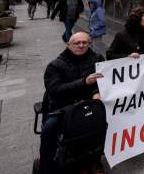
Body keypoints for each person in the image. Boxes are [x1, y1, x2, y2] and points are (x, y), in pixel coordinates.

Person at [41, 31, 105, 174]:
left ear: (89, 44)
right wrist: (84, 82)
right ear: (69, 44)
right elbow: (55, 89)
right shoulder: (55, 65)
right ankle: (46, 167)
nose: (81, 46)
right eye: (77, 43)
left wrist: (96, 92)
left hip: (89, 105)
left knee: (104, 126)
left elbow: (103, 80)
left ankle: (95, 160)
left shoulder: (97, 58)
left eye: (85, 43)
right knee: (48, 130)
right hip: (63, 107)